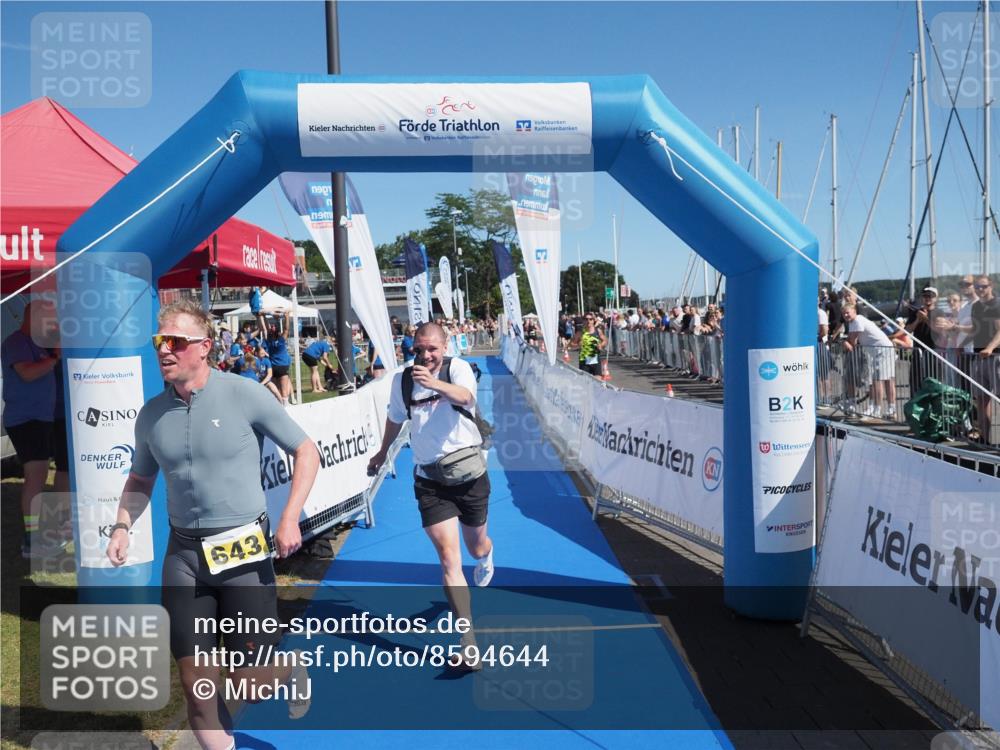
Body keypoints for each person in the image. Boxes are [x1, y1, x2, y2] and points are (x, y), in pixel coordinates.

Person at [106, 300, 320, 750]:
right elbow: (141, 477)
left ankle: (289, 668)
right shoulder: (150, 415)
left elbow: (306, 451)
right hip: (183, 558)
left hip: (241, 552)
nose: (164, 350)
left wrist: (288, 518)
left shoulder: (243, 393)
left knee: (250, 686)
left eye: (175, 342)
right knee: (197, 687)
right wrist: (122, 525)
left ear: (204, 347)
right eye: (158, 342)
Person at [366, 322, 493, 670]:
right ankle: (469, 645)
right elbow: (395, 419)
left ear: (445, 345)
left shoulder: (458, 368)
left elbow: (466, 397)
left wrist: (435, 383)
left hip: (468, 475)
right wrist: (381, 454)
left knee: (475, 546)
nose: (425, 355)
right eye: (419, 349)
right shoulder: (403, 380)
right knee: (449, 560)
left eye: (432, 349)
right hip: (429, 479)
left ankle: (486, 554)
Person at [1, 300, 64, 558]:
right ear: (33, 318)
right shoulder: (17, 342)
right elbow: (27, 373)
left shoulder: (40, 343)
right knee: (35, 478)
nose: (49, 324)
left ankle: (36, 537)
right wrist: (54, 357)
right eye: (46, 318)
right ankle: (32, 540)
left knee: (37, 477)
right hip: (26, 420)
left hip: (40, 419)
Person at [843, 304, 897, 419]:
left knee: (878, 380)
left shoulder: (857, 321)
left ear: (854, 311)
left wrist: (843, 342)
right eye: (844, 313)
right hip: (882, 349)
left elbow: (852, 342)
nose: (846, 315)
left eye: (848, 312)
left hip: (881, 350)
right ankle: (891, 409)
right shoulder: (857, 321)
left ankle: (877, 411)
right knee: (887, 380)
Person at [970, 276, 1000, 442]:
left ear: (991, 286)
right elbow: (974, 329)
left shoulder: (996, 304)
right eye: (977, 287)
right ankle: (984, 437)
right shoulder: (976, 307)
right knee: (981, 400)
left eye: (983, 286)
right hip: (978, 356)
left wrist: (990, 347)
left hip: (995, 357)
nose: (980, 290)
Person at [260, 310, 293, 405]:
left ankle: (278, 405)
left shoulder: (268, 340)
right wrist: (287, 317)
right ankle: (286, 405)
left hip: (273, 366)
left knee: (277, 390)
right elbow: (286, 329)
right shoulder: (281, 340)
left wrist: (264, 316)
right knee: (284, 390)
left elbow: (266, 328)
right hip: (282, 366)